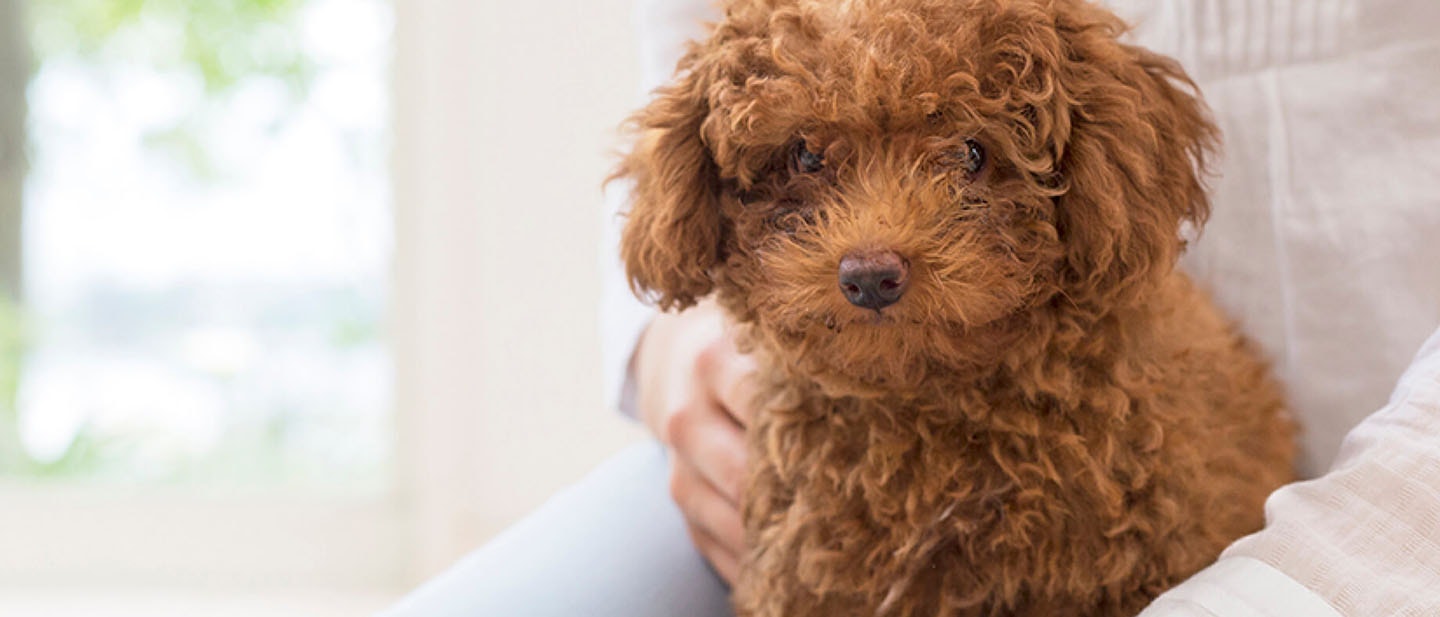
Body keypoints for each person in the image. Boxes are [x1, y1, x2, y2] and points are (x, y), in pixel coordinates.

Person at [382, 0, 1440, 615]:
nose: (874, 250)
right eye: (811, 159)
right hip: (785, 400)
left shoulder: (1141, 439)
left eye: (968, 158)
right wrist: (671, 343)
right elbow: (697, 84)